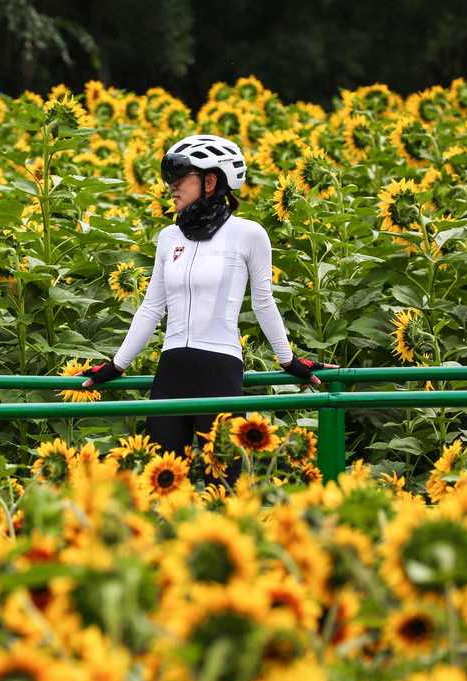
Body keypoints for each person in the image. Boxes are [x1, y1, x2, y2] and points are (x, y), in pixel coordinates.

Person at [82, 134, 335, 464]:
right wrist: (116, 365)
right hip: (171, 371)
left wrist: (288, 360)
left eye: (180, 179)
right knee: (161, 479)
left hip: (219, 369)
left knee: (225, 478)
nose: (171, 187)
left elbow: (263, 301)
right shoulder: (169, 237)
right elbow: (152, 307)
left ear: (211, 180)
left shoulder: (248, 234)